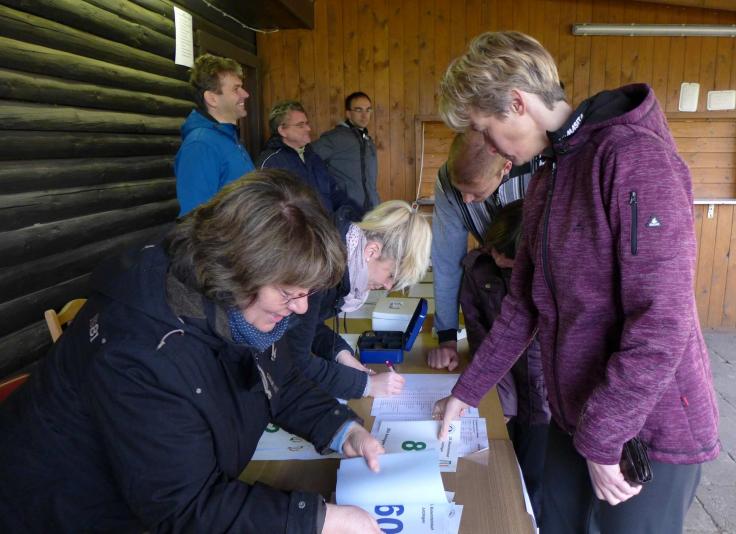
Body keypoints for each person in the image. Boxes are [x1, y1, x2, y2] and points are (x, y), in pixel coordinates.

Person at [434, 31, 720, 534]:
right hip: (577, 418)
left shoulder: (632, 158)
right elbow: (523, 305)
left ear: (517, 103)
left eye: (484, 129)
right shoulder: (550, 173)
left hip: (645, 427)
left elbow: (661, 322)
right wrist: (468, 392)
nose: (488, 146)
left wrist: (604, 439)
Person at [0, 170, 385, 534]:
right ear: (238, 273)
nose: (301, 308)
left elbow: (279, 379)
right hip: (57, 516)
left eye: (308, 293)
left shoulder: (241, 310)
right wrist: (317, 520)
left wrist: (341, 429)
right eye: (289, 294)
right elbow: (186, 507)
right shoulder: (142, 352)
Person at [285, 200, 431, 400]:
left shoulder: (344, 258)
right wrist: (366, 386)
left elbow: (307, 327)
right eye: (391, 276)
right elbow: (295, 361)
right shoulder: (321, 265)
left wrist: (342, 355)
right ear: (371, 251)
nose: (388, 286)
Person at [458, 200, 549, 518]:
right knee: (497, 471)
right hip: (500, 393)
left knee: (535, 480)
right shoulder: (478, 269)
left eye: (505, 256)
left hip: (544, 403)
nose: (496, 259)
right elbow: (480, 337)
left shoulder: (548, 278)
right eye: (494, 249)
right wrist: (502, 400)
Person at [427, 130, 541, 371]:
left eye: (475, 191)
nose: (466, 200)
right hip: (494, 285)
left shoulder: (541, 168)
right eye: (460, 190)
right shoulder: (447, 181)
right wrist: (447, 338)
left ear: (506, 168)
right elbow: (447, 263)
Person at [174, 53, 255, 215]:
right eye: (236, 89)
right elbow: (194, 218)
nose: (245, 94)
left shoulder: (229, 138)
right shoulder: (200, 145)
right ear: (212, 99)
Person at [256, 100, 363, 221]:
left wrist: (361, 217)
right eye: (300, 125)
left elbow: (335, 194)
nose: (308, 128)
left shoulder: (313, 158)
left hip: (325, 229)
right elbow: (265, 211)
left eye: (307, 123)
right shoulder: (270, 163)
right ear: (282, 130)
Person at [312, 91, 380, 212]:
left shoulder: (368, 141)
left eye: (368, 110)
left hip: (372, 212)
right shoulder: (334, 138)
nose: (364, 115)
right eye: (359, 110)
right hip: (346, 212)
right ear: (348, 113)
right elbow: (307, 161)